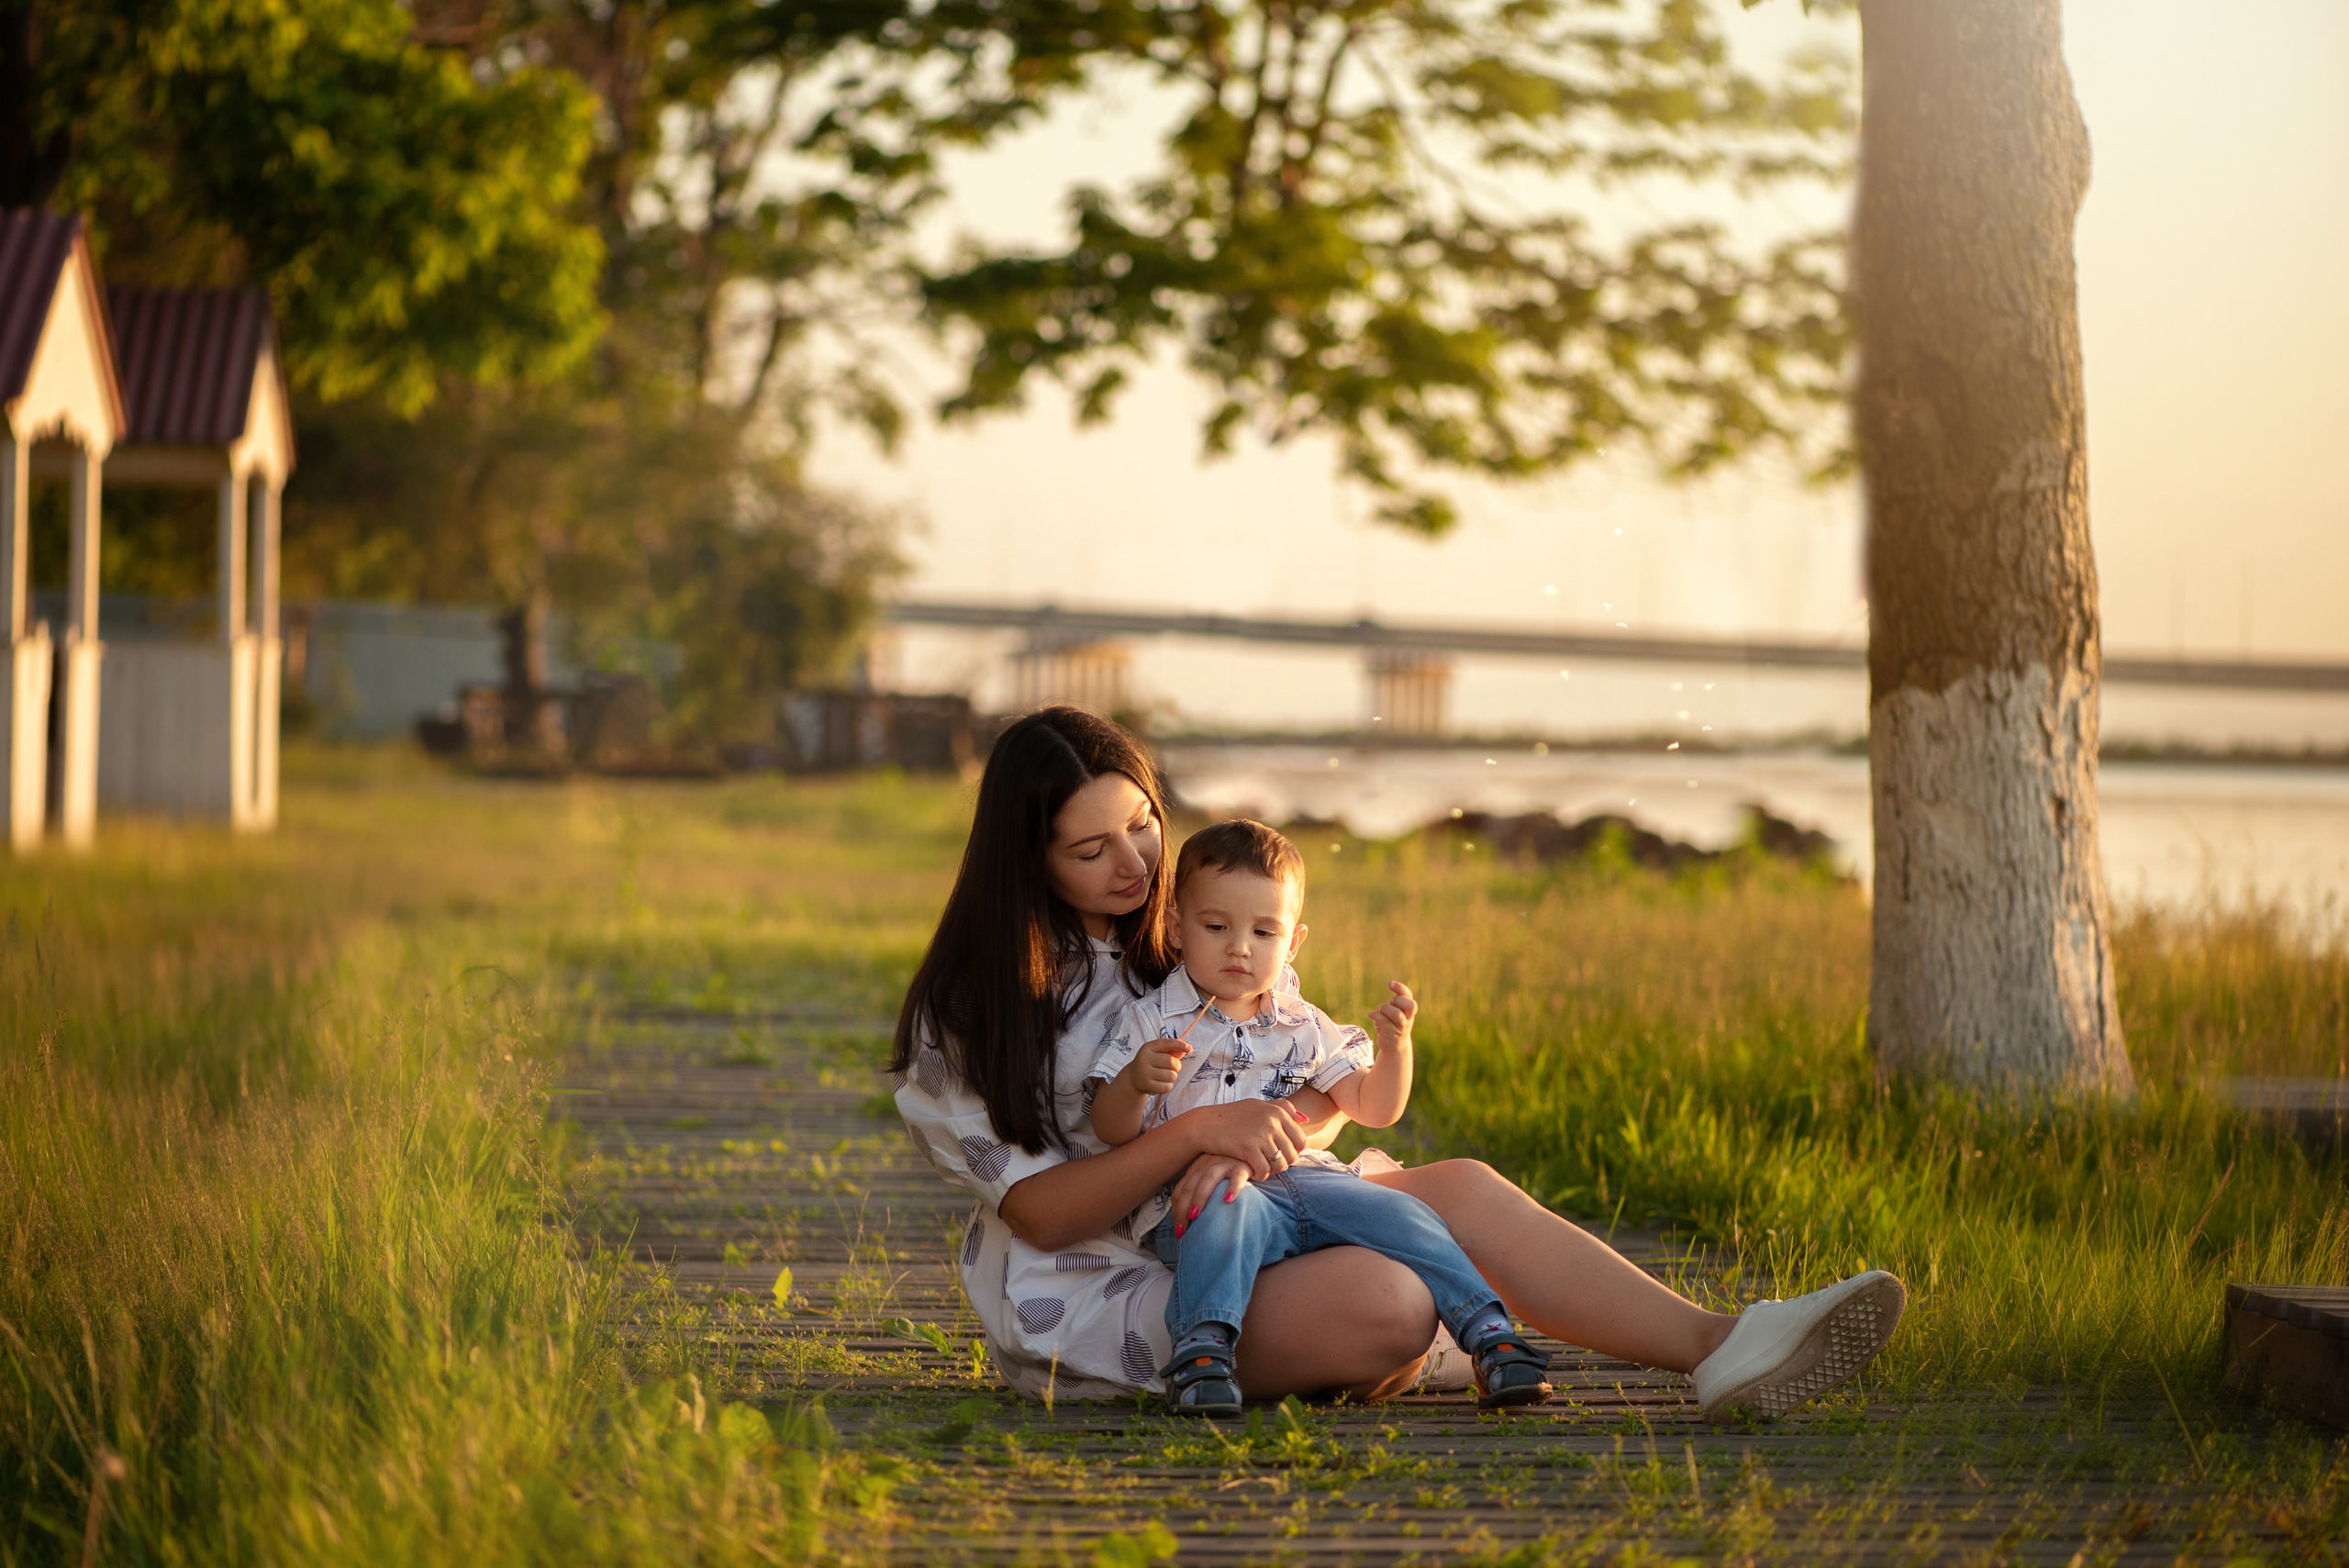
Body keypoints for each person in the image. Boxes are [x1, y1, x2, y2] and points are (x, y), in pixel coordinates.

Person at [891, 706, 1905, 1414]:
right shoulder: (973, 1009)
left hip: (1267, 1200)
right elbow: (1040, 1211)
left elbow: (1307, 1089)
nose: (1136, 863)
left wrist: (1264, 1134)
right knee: (1389, 1297)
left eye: (1144, 823)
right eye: (1091, 850)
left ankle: (1723, 1343)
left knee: (1454, 1186)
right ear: (1027, 860)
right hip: (1110, 1282)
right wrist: (1198, 1137)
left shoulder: (1191, 930)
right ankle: (1446, 1341)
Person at [1087, 818, 1553, 1416]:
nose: (1240, 946)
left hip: (1310, 1182)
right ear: (1176, 928)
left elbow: (1374, 1106)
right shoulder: (1151, 1023)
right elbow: (1110, 1128)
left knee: (1407, 1213)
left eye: (1263, 930)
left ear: (1293, 942)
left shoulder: (1301, 1023)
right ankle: (1204, 1353)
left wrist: (1396, 1050)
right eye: (1216, 926)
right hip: (1211, 1197)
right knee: (1222, 1210)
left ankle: (1491, 1335)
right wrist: (1133, 1083)